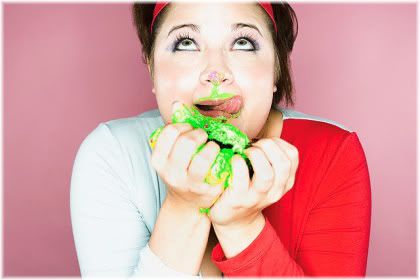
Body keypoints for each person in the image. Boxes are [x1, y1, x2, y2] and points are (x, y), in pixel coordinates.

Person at [70, 1, 372, 277]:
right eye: (186, 43)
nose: (216, 72)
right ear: (151, 67)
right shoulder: (111, 154)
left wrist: (241, 226)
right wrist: (185, 205)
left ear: (276, 68)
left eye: (243, 43)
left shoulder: (333, 154)